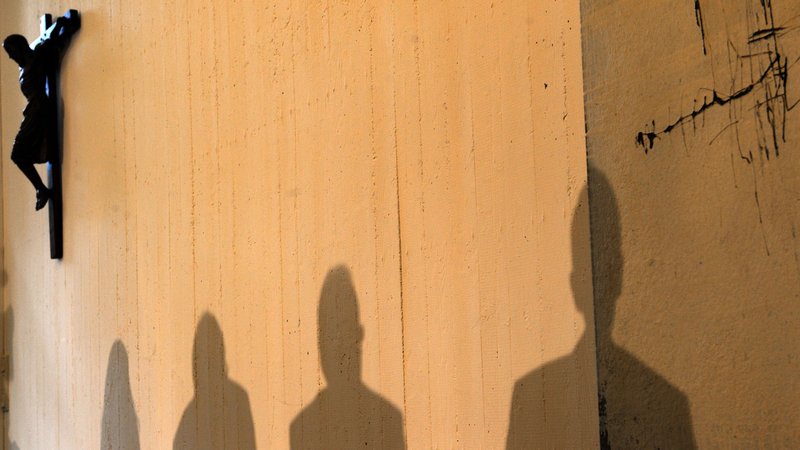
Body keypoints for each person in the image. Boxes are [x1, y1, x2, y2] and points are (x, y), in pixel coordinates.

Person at [3, 10, 80, 210]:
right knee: (18, 155)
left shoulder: (37, 56)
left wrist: (65, 24)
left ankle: (41, 189)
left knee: (17, 154)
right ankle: (40, 189)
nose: (10, 57)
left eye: (11, 51)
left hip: (40, 109)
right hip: (32, 110)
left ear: (19, 47)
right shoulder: (23, 66)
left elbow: (54, 40)